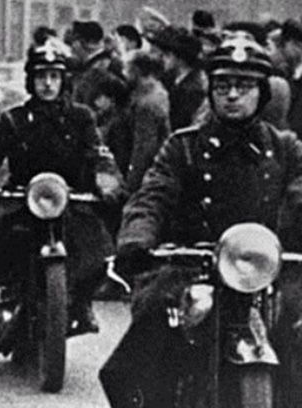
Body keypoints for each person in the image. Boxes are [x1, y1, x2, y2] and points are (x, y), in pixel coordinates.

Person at [99, 34, 302, 407]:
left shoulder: (285, 148)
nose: (232, 95)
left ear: (262, 93)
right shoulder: (183, 147)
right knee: (138, 354)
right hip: (192, 268)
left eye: (244, 86)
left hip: (267, 273)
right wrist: (136, 239)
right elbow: (152, 196)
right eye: (223, 85)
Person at [0, 38, 124, 338]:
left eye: (54, 76)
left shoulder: (81, 118)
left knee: (98, 246)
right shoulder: (13, 119)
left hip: (69, 198)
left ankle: (82, 301)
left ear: (63, 81)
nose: (48, 84)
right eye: (41, 77)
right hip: (22, 197)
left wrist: (106, 179)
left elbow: (98, 153)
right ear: (31, 81)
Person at [121, 51, 170, 193]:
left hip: (147, 175)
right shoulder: (155, 91)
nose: (124, 74)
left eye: (126, 69)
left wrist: (131, 184)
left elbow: (143, 148)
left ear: (136, 71)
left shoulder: (147, 103)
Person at [149, 25, 206, 130]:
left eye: (168, 55)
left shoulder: (191, 89)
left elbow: (181, 123)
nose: (163, 58)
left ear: (180, 59)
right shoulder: (176, 80)